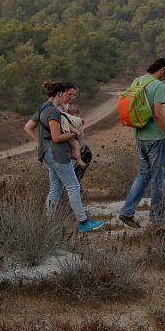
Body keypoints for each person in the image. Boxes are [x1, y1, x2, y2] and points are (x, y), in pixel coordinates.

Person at [31, 81, 105, 233]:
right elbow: (57, 137)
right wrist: (74, 133)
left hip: (48, 154)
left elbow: (30, 127)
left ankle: (48, 222)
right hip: (58, 154)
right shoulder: (53, 112)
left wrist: (42, 143)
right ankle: (83, 222)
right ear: (59, 94)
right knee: (73, 187)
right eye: (65, 94)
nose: (66, 98)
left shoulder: (43, 107)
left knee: (55, 189)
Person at [118, 58, 165, 228]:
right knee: (159, 178)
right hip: (155, 138)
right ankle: (157, 219)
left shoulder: (138, 81)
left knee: (144, 174)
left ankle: (126, 212)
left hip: (140, 136)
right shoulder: (157, 85)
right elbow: (158, 113)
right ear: (162, 69)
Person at [62, 102, 93, 181]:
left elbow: (80, 122)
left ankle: (76, 180)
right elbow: (70, 126)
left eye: (77, 115)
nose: (76, 117)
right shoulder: (68, 119)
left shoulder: (71, 115)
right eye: (75, 115)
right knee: (77, 147)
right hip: (71, 138)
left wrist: (81, 120)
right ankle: (79, 160)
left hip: (77, 139)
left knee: (81, 151)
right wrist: (75, 131)